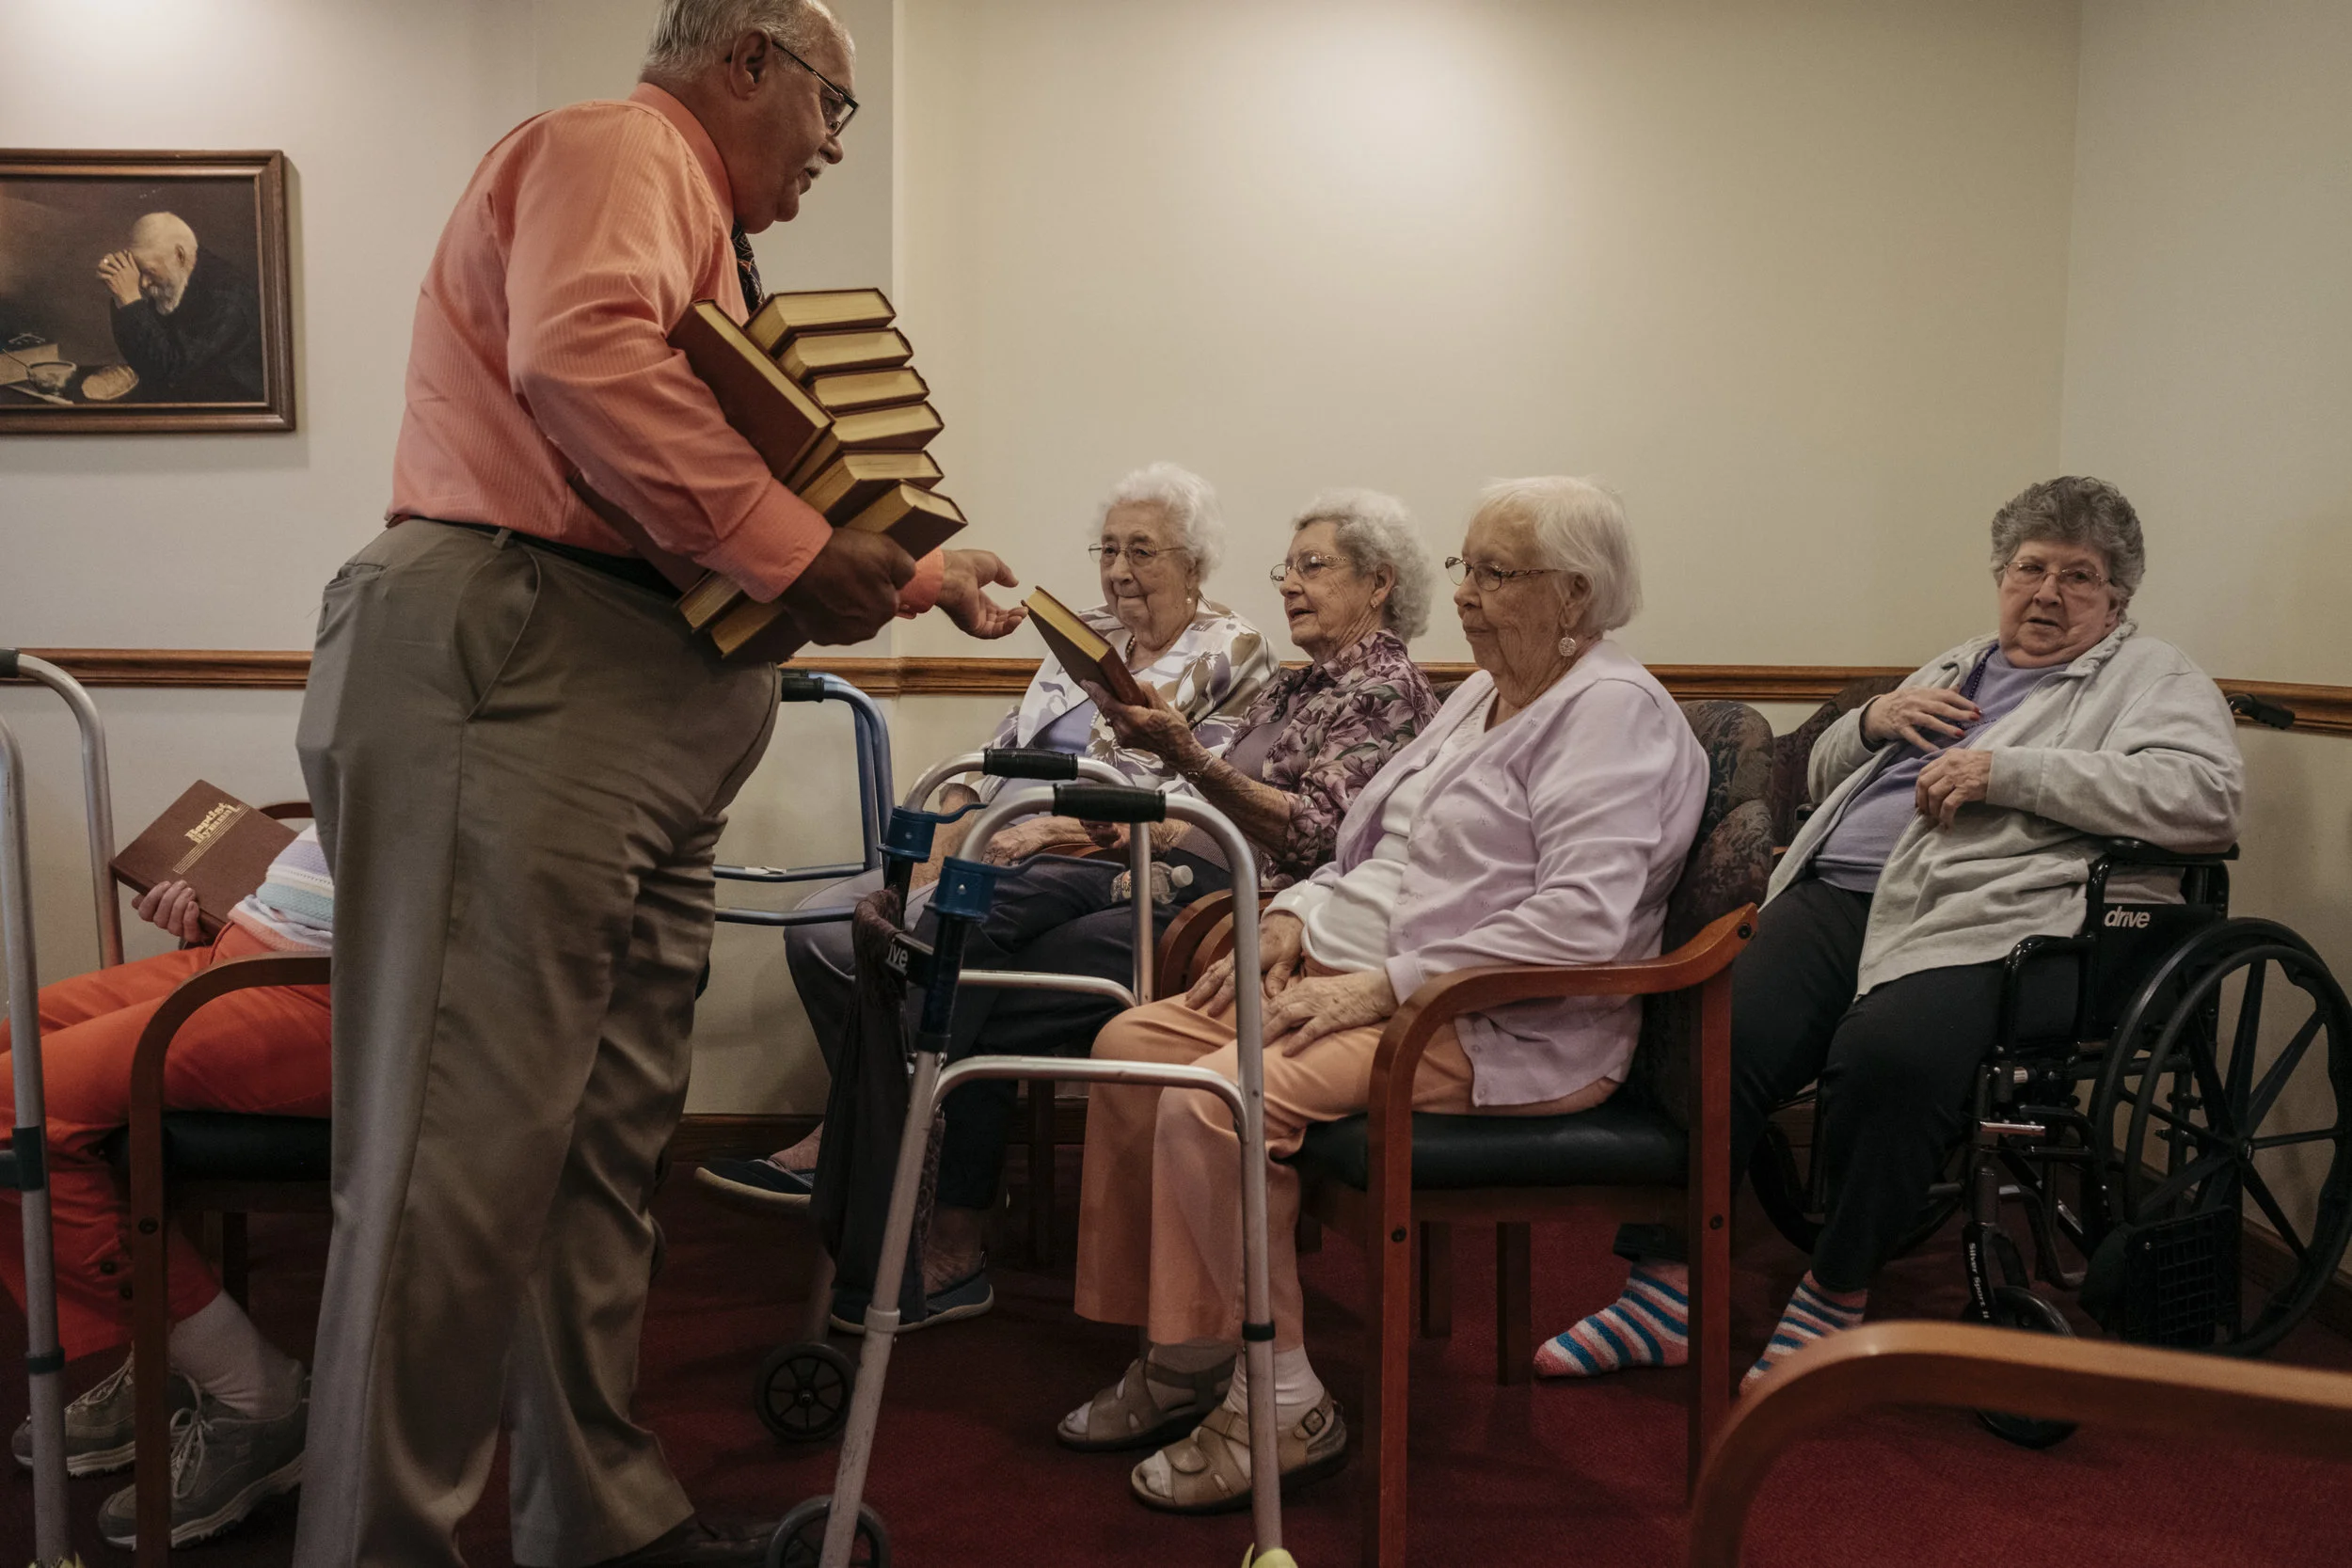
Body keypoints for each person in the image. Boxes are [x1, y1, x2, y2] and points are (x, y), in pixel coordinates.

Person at [290, 4, 1025, 1564]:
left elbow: (707, 465)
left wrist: (907, 576)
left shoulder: (700, 223)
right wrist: (795, 549)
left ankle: (600, 1526)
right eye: (833, 105)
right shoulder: (627, 145)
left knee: (596, 1156)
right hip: (525, 660)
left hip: (624, 689)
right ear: (744, 56)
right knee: (451, 1169)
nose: (836, 146)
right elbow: (587, 358)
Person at [1062, 477, 1707, 1512]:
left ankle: (1282, 1399)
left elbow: (1582, 920)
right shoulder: (1479, 692)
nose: (1464, 595)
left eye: (1498, 573)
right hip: (1370, 973)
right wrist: (1289, 920)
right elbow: (1371, 846)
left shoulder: (1610, 717)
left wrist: (1380, 988)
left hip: (1492, 1020)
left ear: (1576, 596)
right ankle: (1190, 1353)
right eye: (1466, 566)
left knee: (1217, 1101)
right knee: (1130, 1044)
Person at [1538, 475, 2244, 1389]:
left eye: (2079, 575)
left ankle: (1833, 1293)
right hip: (1840, 891)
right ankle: (1660, 1290)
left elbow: (2206, 797)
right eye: (2030, 567)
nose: (2047, 591)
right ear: (2001, 575)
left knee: (1892, 1057)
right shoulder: (1958, 661)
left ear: (2116, 597)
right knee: (1717, 1032)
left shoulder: (2152, 677)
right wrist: (1872, 720)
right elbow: (1822, 774)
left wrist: (2011, 770)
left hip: (1986, 914)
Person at [704, 467, 1367, 1324]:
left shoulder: (1231, 649)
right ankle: (897, 1137)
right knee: (823, 929)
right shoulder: (1080, 635)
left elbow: (1163, 795)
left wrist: (1038, 832)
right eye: (1109, 550)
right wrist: (951, 817)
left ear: (1195, 563)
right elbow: (1001, 748)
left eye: (1143, 552)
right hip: (1006, 852)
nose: (1119, 571)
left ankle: (907, 1174)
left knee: (974, 958)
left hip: (1118, 867)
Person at [0, 839, 328, 1547]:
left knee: (9, 1111)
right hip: (245, 949)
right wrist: (232, 904)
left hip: (328, 989)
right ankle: (179, 1356)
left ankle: (256, 1397)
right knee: (6, 1051)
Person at [97, 212, 264, 403]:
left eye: (149, 271)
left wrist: (130, 299)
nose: (143, 283)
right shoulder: (171, 280)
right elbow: (143, 362)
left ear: (180, 255)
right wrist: (121, 299)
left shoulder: (228, 296)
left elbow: (170, 370)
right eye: (139, 271)